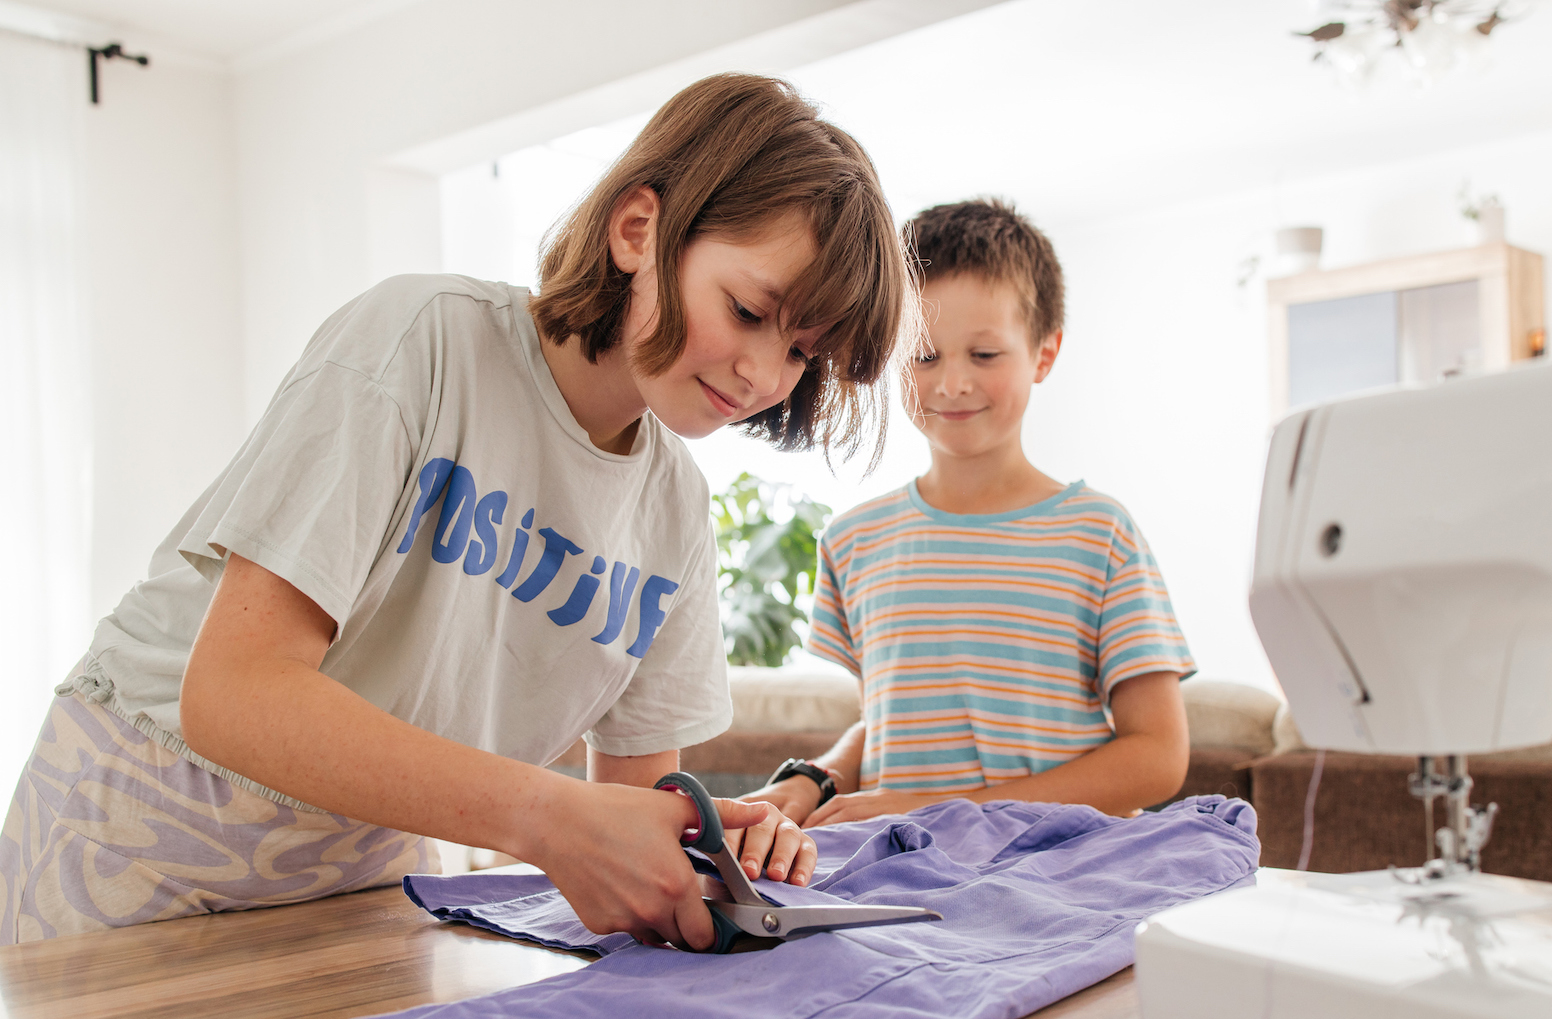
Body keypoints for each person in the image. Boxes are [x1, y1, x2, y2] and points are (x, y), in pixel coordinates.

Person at [0, 74, 915, 950]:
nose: (765, 376)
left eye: (802, 351)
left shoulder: (674, 510)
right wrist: (549, 817)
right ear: (638, 228)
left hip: (361, 865)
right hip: (143, 823)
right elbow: (234, 694)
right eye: (749, 309)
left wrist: (717, 853)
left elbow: (633, 822)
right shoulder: (420, 341)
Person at [741, 199, 1192, 835]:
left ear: (1044, 352)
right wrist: (819, 774)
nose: (951, 384)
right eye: (924, 356)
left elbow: (1158, 757)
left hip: (1071, 874)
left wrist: (948, 811)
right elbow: (902, 719)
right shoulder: (853, 542)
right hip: (912, 877)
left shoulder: (1100, 534)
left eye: (984, 355)